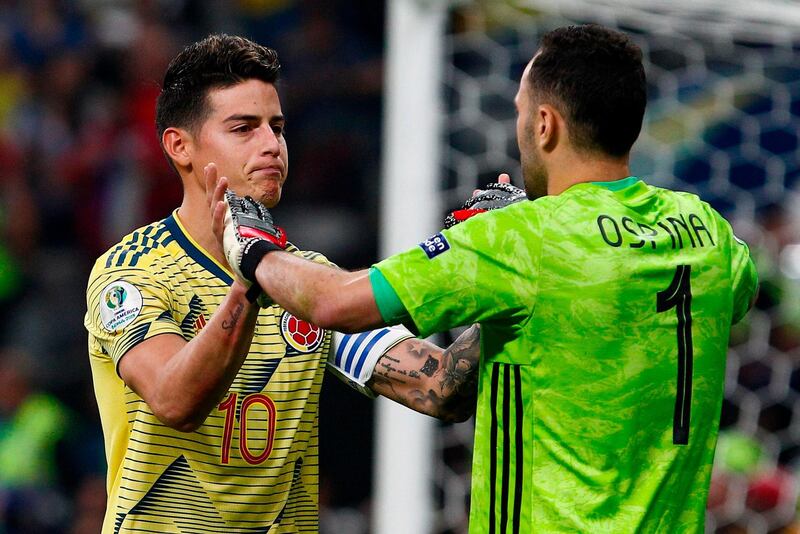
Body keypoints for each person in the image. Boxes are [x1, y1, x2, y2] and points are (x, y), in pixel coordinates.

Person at [212, 24, 759, 532]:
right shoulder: (708, 233)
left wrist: (254, 249)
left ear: (544, 124)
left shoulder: (523, 238)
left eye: (521, 111)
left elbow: (334, 303)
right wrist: (506, 288)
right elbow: (679, 296)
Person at [84, 34, 482, 533]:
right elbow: (174, 400)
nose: (271, 145)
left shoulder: (307, 281)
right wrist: (251, 278)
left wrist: (492, 271)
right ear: (179, 146)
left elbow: (442, 389)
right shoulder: (131, 271)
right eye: (243, 128)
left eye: (277, 127)